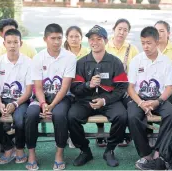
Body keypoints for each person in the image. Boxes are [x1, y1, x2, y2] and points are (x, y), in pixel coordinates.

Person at [67, 25, 128, 167]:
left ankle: (110, 150)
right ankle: (84, 151)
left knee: (122, 116)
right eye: (91, 39)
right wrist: (88, 85)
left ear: (106, 41)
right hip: (85, 100)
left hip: (109, 100)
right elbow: (75, 88)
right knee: (71, 116)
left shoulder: (115, 62)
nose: (94, 42)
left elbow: (121, 88)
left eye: (98, 39)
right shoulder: (81, 62)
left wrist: (105, 100)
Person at [25, 23, 77, 170]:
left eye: (59, 38)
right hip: (42, 97)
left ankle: (59, 153)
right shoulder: (37, 58)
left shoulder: (70, 57)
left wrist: (52, 106)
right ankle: (31, 154)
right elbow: (38, 87)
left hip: (62, 97)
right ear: (45, 39)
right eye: (52, 38)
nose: (56, 42)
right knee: (30, 114)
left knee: (59, 115)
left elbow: (65, 86)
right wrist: (43, 104)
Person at [127, 26, 172, 170]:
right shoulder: (137, 60)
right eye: (143, 43)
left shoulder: (165, 61)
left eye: (149, 43)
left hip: (159, 98)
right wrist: (141, 103)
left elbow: (170, 87)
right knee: (133, 116)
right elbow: (130, 87)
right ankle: (146, 154)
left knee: (171, 113)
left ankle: (159, 152)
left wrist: (157, 102)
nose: (145, 46)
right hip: (139, 98)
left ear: (157, 42)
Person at [0, 29, 33, 164]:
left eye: (15, 42)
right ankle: (8, 147)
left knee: (19, 120)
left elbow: (29, 91)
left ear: (21, 43)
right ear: (4, 44)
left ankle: (19, 149)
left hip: (21, 100)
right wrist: (0, 104)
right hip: (1, 99)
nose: (12, 45)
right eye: (9, 42)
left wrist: (16, 104)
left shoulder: (29, 63)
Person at [94, 19, 139, 147]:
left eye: (125, 30)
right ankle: (100, 133)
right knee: (98, 97)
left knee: (129, 106)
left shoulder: (132, 49)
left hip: (125, 88)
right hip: (104, 86)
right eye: (119, 29)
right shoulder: (105, 46)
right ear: (114, 29)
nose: (122, 32)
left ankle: (123, 134)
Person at [0, 18, 37, 110]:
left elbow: (36, 70)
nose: (12, 45)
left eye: (13, 30)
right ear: (1, 34)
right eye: (7, 32)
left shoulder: (29, 49)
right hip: (2, 87)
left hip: (23, 88)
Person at [64, 26, 89, 148]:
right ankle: (67, 135)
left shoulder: (88, 52)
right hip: (65, 90)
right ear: (67, 38)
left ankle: (75, 136)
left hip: (82, 89)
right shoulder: (62, 53)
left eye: (77, 36)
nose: (74, 39)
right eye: (71, 37)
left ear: (81, 38)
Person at [155, 20, 172, 107]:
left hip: (171, 89)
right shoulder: (150, 48)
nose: (158, 33)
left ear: (168, 33)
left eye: (161, 31)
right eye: (156, 31)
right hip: (152, 89)